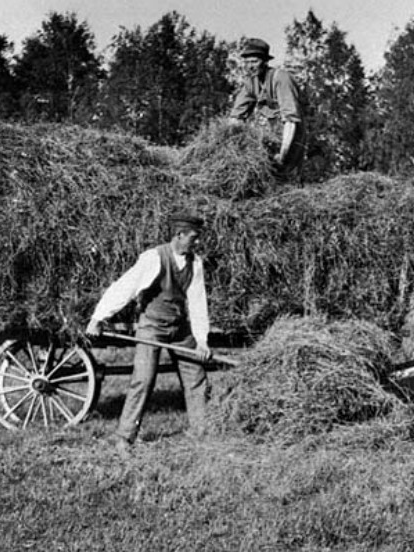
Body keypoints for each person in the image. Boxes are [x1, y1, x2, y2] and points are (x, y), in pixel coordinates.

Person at [85, 214, 213, 454]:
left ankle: (201, 434)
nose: (196, 243)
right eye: (193, 238)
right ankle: (124, 437)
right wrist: (98, 317)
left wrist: (202, 340)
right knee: (143, 379)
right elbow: (126, 287)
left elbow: (197, 302)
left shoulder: (195, 263)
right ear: (179, 235)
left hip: (180, 328)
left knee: (196, 377)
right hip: (152, 326)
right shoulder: (154, 258)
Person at [228, 37, 306, 180]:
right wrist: (232, 148)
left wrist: (283, 153)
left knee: (286, 172)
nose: (250, 66)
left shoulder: (281, 78)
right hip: (271, 129)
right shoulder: (251, 82)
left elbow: (290, 119)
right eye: (246, 62)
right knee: (268, 173)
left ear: (264, 62)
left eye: (254, 62)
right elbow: (236, 117)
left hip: (291, 131)